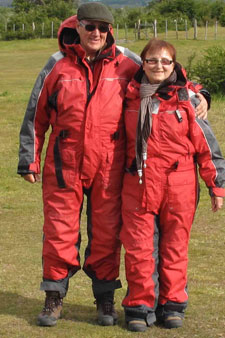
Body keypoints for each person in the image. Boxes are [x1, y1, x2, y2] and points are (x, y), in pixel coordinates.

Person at [17, 3, 209, 328]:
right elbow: (36, 114)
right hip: (63, 165)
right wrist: (29, 158)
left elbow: (163, 75)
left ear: (110, 31)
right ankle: (54, 297)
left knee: (106, 236)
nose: (96, 33)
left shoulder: (126, 62)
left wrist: (198, 93)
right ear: (77, 27)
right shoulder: (58, 66)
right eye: (89, 26)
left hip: (110, 166)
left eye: (102, 28)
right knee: (59, 233)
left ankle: (104, 298)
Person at [120, 39, 225, 332]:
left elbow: (207, 147)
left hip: (179, 187)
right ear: (142, 63)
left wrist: (216, 186)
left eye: (166, 61)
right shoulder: (128, 95)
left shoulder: (187, 99)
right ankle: (140, 306)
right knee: (140, 250)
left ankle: (172, 304)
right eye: (152, 60)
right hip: (138, 184)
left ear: (174, 64)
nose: (159, 66)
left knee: (174, 249)